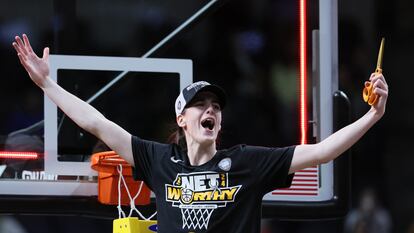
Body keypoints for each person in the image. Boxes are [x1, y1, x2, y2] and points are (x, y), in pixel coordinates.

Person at [12, 34, 389, 233]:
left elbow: (322, 152)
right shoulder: (158, 160)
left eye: (216, 107)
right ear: (181, 119)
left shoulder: (246, 163)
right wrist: (48, 85)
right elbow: (95, 123)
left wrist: (373, 115)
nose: (211, 110)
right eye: (201, 105)